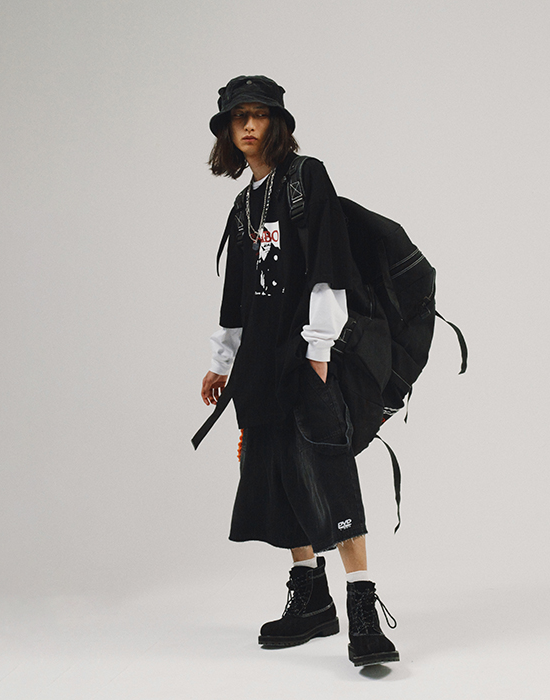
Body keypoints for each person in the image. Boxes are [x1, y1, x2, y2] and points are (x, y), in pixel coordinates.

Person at [200, 75, 399, 667]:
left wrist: (318, 350)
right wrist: (221, 363)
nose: (249, 125)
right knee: (280, 475)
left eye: (259, 115)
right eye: (239, 117)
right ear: (227, 131)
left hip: (306, 356)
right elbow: (237, 296)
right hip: (259, 365)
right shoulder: (244, 204)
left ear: (278, 123)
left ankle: (362, 607)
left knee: (329, 472)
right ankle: (312, 598)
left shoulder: (305, 178)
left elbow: (328, 266)